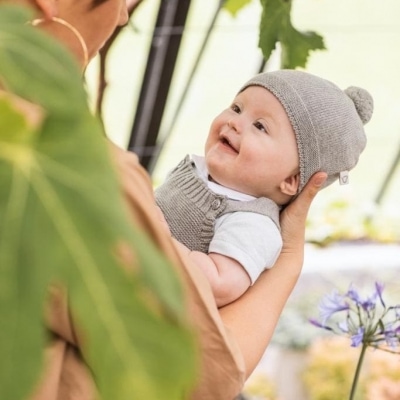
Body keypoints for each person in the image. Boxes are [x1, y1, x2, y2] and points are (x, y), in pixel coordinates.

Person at [1, 1, 328, 399]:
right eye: (116, 1)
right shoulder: (57, 174)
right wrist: (289, 260)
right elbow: (197, 374)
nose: (123, 14)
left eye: (260, 125)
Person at [155, 70, 374, 307]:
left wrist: (156, 234)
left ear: (291, 180)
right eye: (237, 108)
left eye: (260, 126)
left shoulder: (253, 224)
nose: (234, 122)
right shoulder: (195, 170)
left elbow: (217, 286)